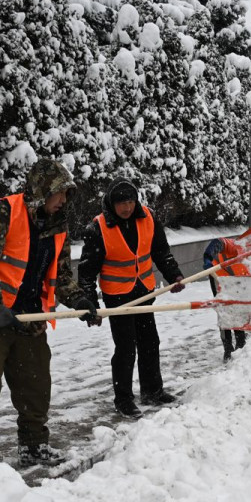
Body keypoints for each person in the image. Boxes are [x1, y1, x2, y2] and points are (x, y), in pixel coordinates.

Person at [0, 159, 102, 477]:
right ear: (42, 190)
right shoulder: (3, 212)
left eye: (67, 194)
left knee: (35, 386)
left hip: (31, 317)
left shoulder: (58, 224)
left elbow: (59, 275)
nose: (64, 201)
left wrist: (81, 300)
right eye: (60, 193)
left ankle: (33, 447)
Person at [78, 178, 185, 418]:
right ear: (111, 204)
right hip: (118, 298)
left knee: (150, 342)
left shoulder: (147, 217)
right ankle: (123, 399)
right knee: (126, 348)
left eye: (130, 201)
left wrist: (174, 275)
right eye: (121, 203)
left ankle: (152, 391)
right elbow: (86, 271)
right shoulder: (98, 228)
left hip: (144, 291)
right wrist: (91, 305)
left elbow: (161, 251)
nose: (126, 207)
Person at [202, 236, 248, 360]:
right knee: (224, 312)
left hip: (235, 282)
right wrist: (208, 256)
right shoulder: (238, 247)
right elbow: (219, 242)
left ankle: (241, 345)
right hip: (217, 275)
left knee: (237, 310)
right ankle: (227, 349)